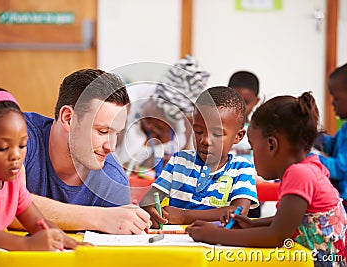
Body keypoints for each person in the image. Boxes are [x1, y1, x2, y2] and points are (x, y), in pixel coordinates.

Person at [186, 92, 347, 266]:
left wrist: (214, 235)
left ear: (271, 145)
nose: (253, 156)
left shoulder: (300, 174)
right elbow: (291, 220)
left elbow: (276, 236)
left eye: (253, 148)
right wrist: (252, 224)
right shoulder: (310, 167)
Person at [0, 66, 81, 267]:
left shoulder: (13, 182)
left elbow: (37, 223)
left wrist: (63, 239)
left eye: (22, 145)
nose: (16, 156)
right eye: (2, 148)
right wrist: (26, 244)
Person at [22, 68, 151, 234]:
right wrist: (101, 218)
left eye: (116, 134)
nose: (111, 147)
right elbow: (7, 207)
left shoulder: (113, 181)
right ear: (68, 118)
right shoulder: (17, 136)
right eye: (103, 131)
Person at [140, 86, 259, 228]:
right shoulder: (179, 161)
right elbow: (148, 201)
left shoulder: (242, 168)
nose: (205, 140)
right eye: (198, 131)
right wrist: (152, 212)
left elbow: (238, 212)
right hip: (175, 244)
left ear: (238, 136)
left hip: (216, 246)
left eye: (217, 134)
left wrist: (184, 216)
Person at [115, 55, 210, 178]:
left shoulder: (184, 125)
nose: (149, 126)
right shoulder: (126, 104)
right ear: (150, 98)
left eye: (159, 129)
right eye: (147, 118)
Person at [228, 70, 262, 218]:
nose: (240, 106)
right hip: (222, 190)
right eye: (235, 100)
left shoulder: (259, 130)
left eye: (246, 102)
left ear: (256, 101)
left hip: (253, 191)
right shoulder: (218, 128)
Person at [314, 63, 347, 212]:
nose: (332, 104)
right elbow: (332, 145)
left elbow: (340, 168)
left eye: (336, 98)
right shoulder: (345, 127)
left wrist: (309, 158)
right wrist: (313, 137)